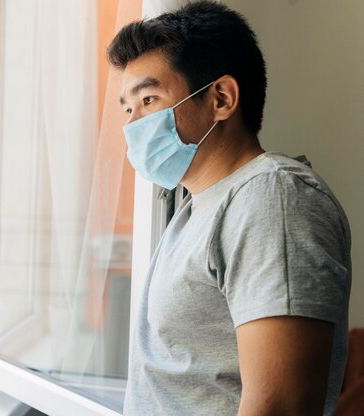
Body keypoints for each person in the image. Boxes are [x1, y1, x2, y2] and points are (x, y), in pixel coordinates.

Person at [107, 1, 351, 415]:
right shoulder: (194, 207)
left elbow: (282, 406)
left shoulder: (272, 197)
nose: (133, 125)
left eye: (149, 99)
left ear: (221, 98)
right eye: (128, 108)